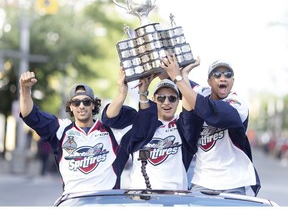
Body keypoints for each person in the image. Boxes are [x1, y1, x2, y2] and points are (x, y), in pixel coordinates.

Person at [19, 71, 152, 195]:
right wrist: (25, 90)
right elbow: (30, 116)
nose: (81, 106)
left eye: (86, 102)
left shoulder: (112, 131)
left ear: (93, 105)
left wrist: (133, 94)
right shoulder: (61, 129)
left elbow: (142, 130)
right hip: (72, 203)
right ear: (70, 107)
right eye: (76, 103)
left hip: (108, 203)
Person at [159, 54, 261, 196]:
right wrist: (167, 65)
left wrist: (179, 77)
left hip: (233, 183)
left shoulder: (238, 104)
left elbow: (211, 111)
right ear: (209, 81)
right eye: (217, 74)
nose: (223, 78)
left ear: (233, 80)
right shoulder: (201, 93)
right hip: (202, 183)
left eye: (228, 74)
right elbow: (171, 77)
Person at [102, 66, 203, 190]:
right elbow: (109, 118)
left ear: (178, 102)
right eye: (161, 98)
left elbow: (190, 109)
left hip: (177, 198)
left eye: (172, 98)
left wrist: (182, 76)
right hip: (141, 198)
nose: (166, 102)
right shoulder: (138, 121)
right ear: (154, 100)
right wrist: (124, 92)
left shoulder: (182, 126)